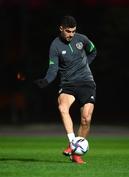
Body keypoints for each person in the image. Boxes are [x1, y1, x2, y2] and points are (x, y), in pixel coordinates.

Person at [35, 15, 97, 164]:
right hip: (68, 83)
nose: (71, 34)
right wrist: (46, 80)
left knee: (86, 119)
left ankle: (75, 154)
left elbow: (93, 51)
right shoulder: (55, 46)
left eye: (73, 31)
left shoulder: (82, 39)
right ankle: (73, 143)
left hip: (86, 82)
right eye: (68, 31)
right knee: (62, 107)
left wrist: (84, 66)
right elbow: (53, 69)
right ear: (61, 29)